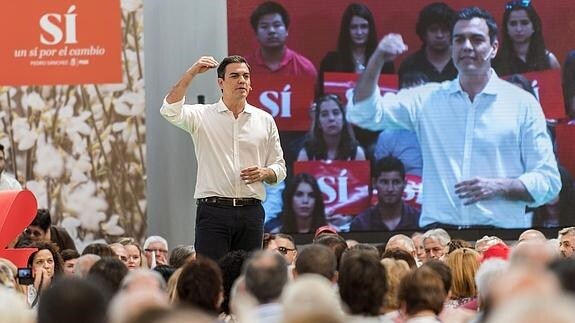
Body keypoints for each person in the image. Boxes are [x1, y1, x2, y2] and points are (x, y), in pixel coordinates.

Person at [348, 7, 561, 229]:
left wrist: (501, 186)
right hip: (438, 238)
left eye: (476, 39)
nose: (467, 46)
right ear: (452, 48)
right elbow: (364, 113)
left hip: (500, 238)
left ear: (494, 48)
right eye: (459, 40)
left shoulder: (521, 103)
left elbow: (549, 181)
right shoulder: (427, 99)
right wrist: (378, 57)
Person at [160, 55, 286, 261]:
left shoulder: (265, 120)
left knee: (247, 279)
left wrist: (266, 172)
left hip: (251, 212)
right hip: (213, 212)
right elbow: (169, 110)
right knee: (210, 277)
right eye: (234, 76)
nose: (242, 80)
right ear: (221, 83)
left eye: (246, 76)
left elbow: (280, 168)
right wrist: (191, 73)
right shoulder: (202, 115)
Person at [317, 2, 393, 95]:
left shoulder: (384, 62)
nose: (359, 32)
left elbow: (389, 97)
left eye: (364, 26)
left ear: (370, 29)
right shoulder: (331, 62)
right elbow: (322, 97)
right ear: (346, 30)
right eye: (354, 27)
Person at [246, 1, 317, 77]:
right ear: (256, 34)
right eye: (264, 26)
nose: (271, 31)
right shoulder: (241, 69)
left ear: (286, 30)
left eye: (277, 25)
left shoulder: (305, 68)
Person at [351, 156, 420, 231]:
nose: (390, 189)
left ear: (405, 184)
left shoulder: (418, 220)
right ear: (374, 183)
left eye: (396, 182)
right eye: (384, 182)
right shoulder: (361, 223)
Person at [493, 1, 560, 76]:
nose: (519, 29)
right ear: (506, 28)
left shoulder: (549, 60)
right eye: (513, 23)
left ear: (534, 26)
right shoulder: (496, 62)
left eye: (524, 23)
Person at [398, 2, 458, 84]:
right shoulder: (410, 66)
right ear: (424, 33)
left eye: (444, 30)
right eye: (433, 30)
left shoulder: (463, 61)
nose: (439, 35)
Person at [297, 94, 365, 161]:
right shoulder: (306, 155)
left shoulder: (357, 153)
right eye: (324, 114)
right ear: (318, 123)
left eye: (336, 113)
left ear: (344, 119)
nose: (331, 118)